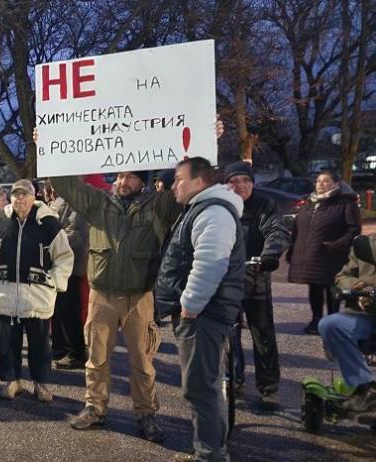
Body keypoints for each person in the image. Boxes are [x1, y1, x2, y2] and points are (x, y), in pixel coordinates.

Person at [36, 121, 224, 441]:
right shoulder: (98, 203)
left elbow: (194, 184)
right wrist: (49, 146)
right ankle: (95, 407)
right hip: (102, 295)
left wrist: (208, 141)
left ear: (143, 181)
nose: (123, 181)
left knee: (142, 361)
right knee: (96, 358)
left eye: (131, 176)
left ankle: (146, 413)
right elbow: (65, 184)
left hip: (140, 297)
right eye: (120, 175)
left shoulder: (160, 204)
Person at [154, 157, 245, 462]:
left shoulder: (213, 212)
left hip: (203, 315)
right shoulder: (202, 209)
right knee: (204, 385)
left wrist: (191, 304)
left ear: (198, 181)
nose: (173, 185)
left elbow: (211, 262)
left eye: (179, 178)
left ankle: (210, 455)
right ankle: (209, 450)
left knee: (200, 388)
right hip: (202, 313)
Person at [0, 180, 74, 401]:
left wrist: (55, 282)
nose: (20, 199)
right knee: (7, 343)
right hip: (5, 294)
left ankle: (41, 384)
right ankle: (12, 382)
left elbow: (64, 256)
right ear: (10, 197)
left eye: (25, 194)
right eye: (16, 194)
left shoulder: (49, 223)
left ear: (34, 197)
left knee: (40, 344)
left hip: (37, 296)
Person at [222, 161, 289, 410]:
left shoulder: (264, 204)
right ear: (226, 184)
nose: (240, 186)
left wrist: (270, 254)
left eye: (245, 181)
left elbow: (276, 230)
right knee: (228, 334)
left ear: (252, 183)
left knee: (263, 334)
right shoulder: (220, 206)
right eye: (234, 181)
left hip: (255, 277)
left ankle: (269, 387)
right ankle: (233, 378)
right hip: (225, 279)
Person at [287, 169, 361, 334]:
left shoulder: (345, 203)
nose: (321, 184)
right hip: (312, 253)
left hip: (333, 254)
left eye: (326, 181)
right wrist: (293, 249)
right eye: (319, 181)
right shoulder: (309, 202)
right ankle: (316, 319)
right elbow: (297, 229)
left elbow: (354, 229)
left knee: (332, 288)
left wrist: (337, 245)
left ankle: (333, 321)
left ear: (336, 184)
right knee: (314, 286)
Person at [321, 232, 376, 412]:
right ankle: (365, 388)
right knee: (331, 325)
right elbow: (343, 277)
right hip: (366, 315)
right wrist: (359, 287)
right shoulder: (369, 242)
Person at [45, 181, 90, 370]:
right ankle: (59, 348)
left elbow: (77, 232)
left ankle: (76, 353)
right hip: (58, 263)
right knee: (58, 309)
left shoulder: (76, 201)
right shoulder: (58, 200)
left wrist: (50, 249)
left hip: (71, 265)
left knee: (70, 311)